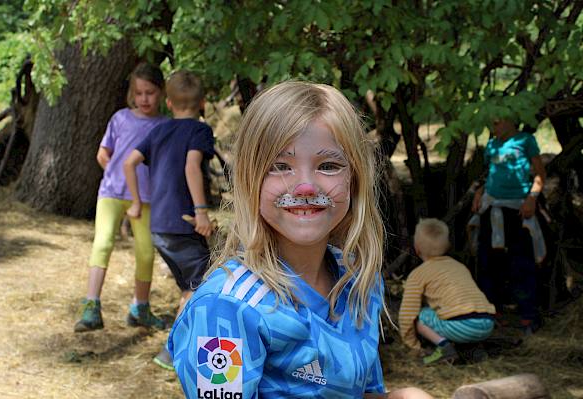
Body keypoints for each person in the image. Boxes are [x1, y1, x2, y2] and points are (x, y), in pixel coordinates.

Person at [166, 81, 433, 399]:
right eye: (280, 166)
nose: (305, 186)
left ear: (354, 179)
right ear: (250, 180)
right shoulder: (226, 309)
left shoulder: (360, 281)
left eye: (328, 166)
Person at [124, 69, 215, 370]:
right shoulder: (199, 131)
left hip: (160, 225)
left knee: (190, 287)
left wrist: (137, 201)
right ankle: (171, 350)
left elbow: (129, 162)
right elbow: (191, 166)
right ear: (202, 102)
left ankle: (181, 346)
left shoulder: (160, 129)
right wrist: (201, 211)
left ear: (169, 102)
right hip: (183, 223)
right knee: (201, 285)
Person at [74, 63, 169, 333]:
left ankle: (140, 307)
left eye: (150, 92)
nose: (144, 99)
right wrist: (115, 172)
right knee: (102, 243)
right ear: (132, 94)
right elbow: (103, 153)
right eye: (138, 93)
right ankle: (91, 306)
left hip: (147, 199)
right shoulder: (120, 119)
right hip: (112, 194)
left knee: (146, 253)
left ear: (160, 93)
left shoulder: (164, 125)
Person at [469, 117, 547, 335]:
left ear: (512, 122)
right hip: (491, 209)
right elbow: (489, 175)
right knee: (488, 260)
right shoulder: (492, 145)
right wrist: (479, 193)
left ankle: (528, 315)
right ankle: (491, 312)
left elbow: (540, 174)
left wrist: (532, 198)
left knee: (521, 260)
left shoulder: (525, 141)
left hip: (518, 210)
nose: (493, 127)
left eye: (497, 123)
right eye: (491, 123)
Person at [398, 218, 496, 365]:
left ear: (417, 248)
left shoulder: (418, 274)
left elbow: (407, 313)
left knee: (421, 315)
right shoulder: (459, 266)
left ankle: (444, 347)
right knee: (455, 315)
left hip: (460, 326)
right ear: (448, 245)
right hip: (487, 323)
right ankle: (472, 348)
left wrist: (412, 344)